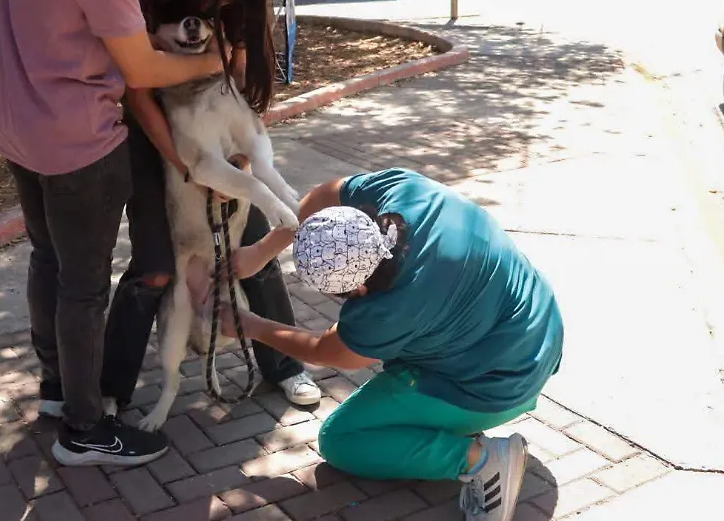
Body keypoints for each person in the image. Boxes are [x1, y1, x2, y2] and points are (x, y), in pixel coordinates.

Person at [0, 0, 227, 468]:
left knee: (49, 260)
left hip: (18, 126)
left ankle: (56, 392)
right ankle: (86, 429)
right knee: (84, 287)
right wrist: (219, 62)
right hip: (77, 140)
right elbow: (141, 67)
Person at [190, 168, 565, 521]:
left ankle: (480, 460)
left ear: (360, 288)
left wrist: (249, 324)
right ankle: (450, 424)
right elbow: (324, 196)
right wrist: (260, 252)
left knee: (342, 439)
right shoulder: (406, 192)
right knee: (405, 355)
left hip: (499, 384)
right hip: (541, 334)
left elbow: (328, 353)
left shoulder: (389, 308)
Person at [100, 0, 322, 412]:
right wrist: (183, 163)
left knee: (252, 245)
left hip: (214, 119)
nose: (221, 5)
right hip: (150, 126)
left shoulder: (236, 0)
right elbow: (139, 91)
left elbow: (239, 82)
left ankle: (284, 366)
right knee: (155, 264)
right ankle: (111, 390)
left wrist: (239, 159)